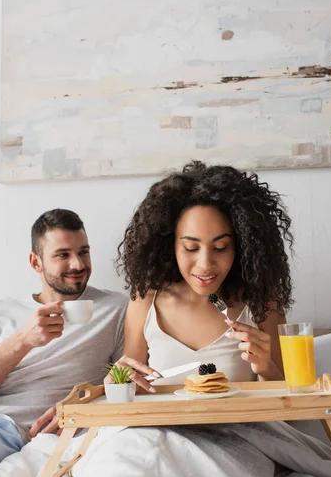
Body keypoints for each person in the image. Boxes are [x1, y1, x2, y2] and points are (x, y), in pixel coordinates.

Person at [0, 208, 148, 466]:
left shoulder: (118, 309)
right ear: (35, 262)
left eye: (83, 252)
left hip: (9, 430)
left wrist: (81, 407)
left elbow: (128, 384)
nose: (78, 264)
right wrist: (22, 341)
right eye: (63, 255)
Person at [113, 161, 294, 386]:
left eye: (220, 248)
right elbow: (130, 384)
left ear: (242, 247)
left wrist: (266, 368)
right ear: (170, 246)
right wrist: (117, 381)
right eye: (191, 248)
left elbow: (289, 398)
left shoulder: (262, 302)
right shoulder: (146, 301)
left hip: (243, 421)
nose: (205, 264)